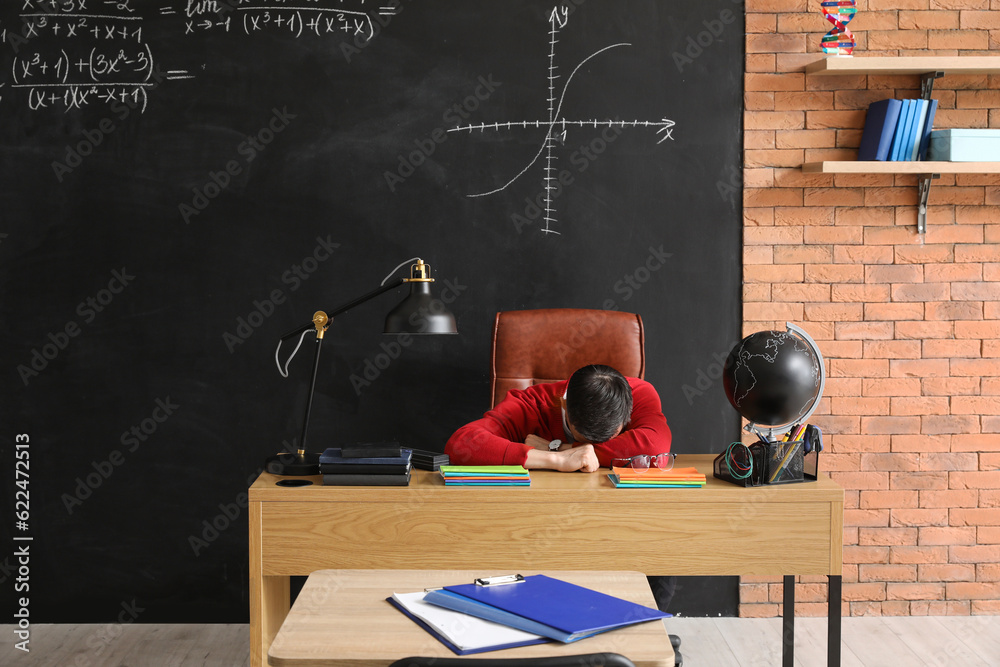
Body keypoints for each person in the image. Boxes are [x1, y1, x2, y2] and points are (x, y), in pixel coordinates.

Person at [445, 364, 671, 472]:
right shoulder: (530, 405)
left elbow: (655, 447)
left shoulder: (639, 393)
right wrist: (556, 460)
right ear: (563, 404)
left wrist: (559, 447)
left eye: (609, 438)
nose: (588, 449)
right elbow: (462, 444)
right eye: (582, 437)